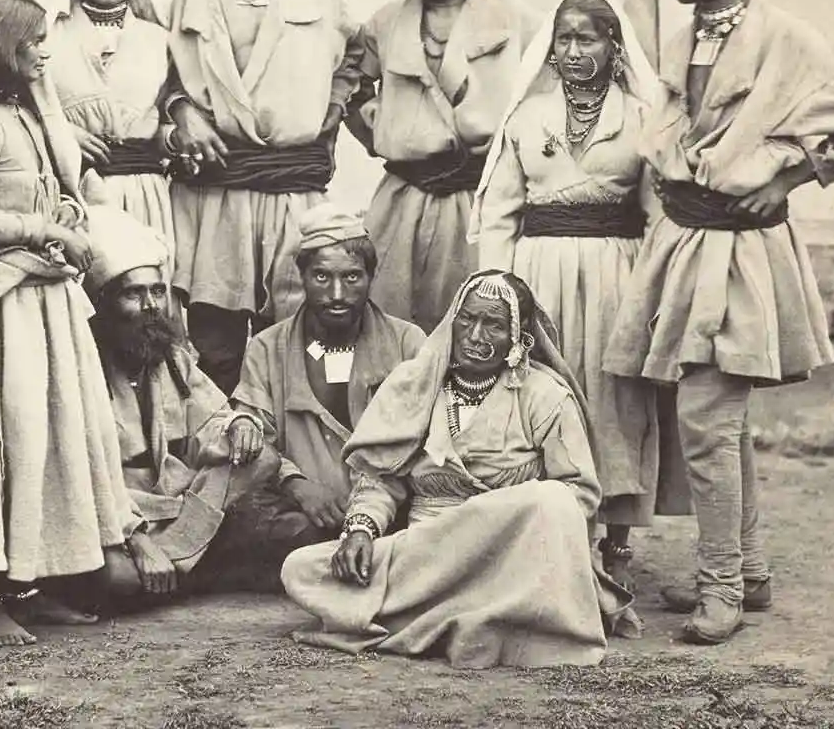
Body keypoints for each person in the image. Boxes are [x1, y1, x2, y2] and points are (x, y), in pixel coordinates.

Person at [604, 0, 834, 645]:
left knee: (706, 419)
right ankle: (750, 567)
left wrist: (793, 175)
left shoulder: (786, 38)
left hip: (740, 255)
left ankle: (721, 585)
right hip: (682, 245)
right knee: (716, 420)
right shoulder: (683, 31)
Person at [0, 0, 137, 647]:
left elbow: (54, 193)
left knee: (47, 443)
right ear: (3, 47)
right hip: (0, 305)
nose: (46, 52)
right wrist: (44, 228)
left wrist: (65, 216)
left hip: (48, 302)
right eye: (36, 41)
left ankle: (30, 584)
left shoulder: (32, 115)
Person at [281, 271, 631, 669]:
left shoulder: (546, 396)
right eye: (467, 319)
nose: (476, 336)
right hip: (431, 553)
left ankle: (433, 616)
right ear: (452, 320)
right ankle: (459, 614)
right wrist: (360, 528)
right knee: (301, 569)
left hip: (510, 559)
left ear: (518, 337)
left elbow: (578, 496)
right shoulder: (416, 385)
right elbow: (380, 477)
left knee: (551, 498)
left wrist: (494, 519)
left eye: (495, 325)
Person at [470, 0, 686, 588]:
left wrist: (656, 290)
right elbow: (500, 215)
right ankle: (555, 542)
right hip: (539, 278)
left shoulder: (641, 121)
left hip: (618, 275)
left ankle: (616, 550)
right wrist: (499, 289)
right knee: (546, 398)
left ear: (614, 47)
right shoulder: (526, 118)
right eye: (563, 39)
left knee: (615, 403)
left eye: (586, 39)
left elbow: (657, 216)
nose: (572, 51)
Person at [165, 0, 362, 394]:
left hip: (292, 192)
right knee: (216, 338)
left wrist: (329, 112)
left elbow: (355, 59)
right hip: (217, 193)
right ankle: (223, 447)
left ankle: (296, 450)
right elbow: (166, 77)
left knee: (301, 327)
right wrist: (181, 110)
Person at [347, 0, 540, 332]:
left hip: (478, 209)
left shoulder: (519, 25)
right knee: (390, 333)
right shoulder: (387, 24)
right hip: (400, 206)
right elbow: (348, 84)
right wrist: (385, 127)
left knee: (473, 333)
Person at [87, 207, 281, 601]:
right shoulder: (82, 367)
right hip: (118, 510)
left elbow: (213, 419)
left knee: (261, 457)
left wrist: (239, 424)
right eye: (132, 293)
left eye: (157, 291)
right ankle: (190, 564)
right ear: (104, 304)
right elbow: (82, 475)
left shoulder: (171, 357)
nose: (150, 307)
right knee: (118, 578)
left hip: (179, 506)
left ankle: (175, 561)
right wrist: (136, 539)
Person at [230, 204, 425, 555]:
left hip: (389, 507)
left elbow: (420, 438)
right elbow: (255, 438)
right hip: (304, 513)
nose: (337, 294)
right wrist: (297, 484)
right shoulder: (266, 347)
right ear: (302, 277)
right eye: (322, 277)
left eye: (352, 277)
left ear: (370, 277)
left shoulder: (407, 342)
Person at [43, 0, 175, 271]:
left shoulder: (160, 40)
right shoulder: (45, 35)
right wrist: (61, 130)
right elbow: (16, 106)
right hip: (74, 190)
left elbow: (173, 114)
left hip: (143, 192)